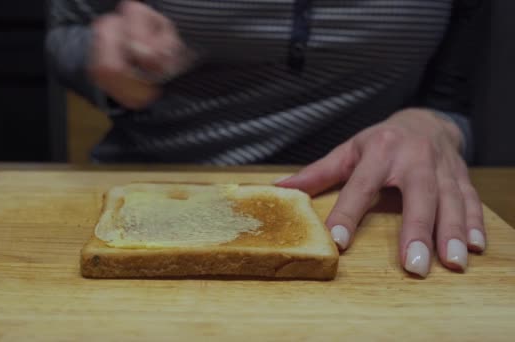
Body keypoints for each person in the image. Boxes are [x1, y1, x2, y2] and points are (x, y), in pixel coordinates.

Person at [46, 0, 488, 278]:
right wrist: (104, 50)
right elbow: (65, 31)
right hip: (152, 170)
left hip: (366, 206)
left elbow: (453, 95)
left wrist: (433, 124)